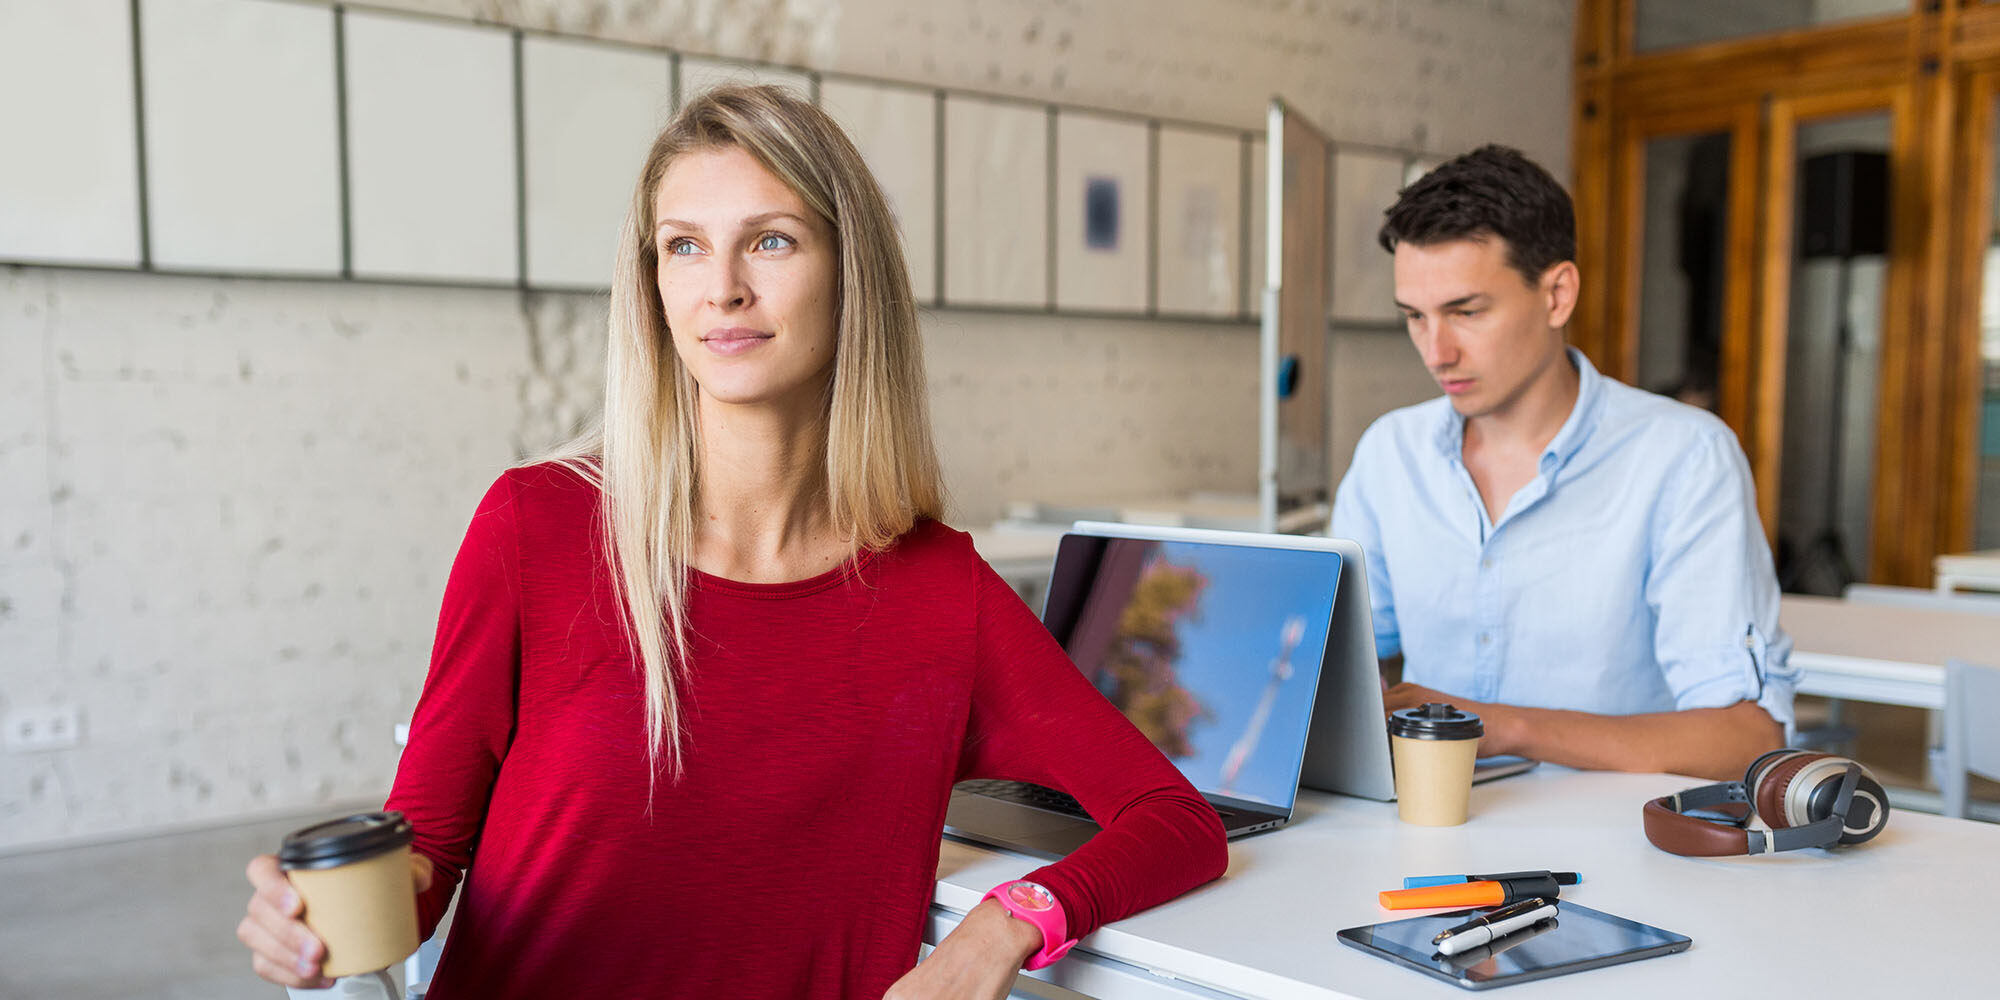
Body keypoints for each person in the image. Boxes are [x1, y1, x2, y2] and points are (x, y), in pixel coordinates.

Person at [235, 85, 1226, 998]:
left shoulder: (941, 594)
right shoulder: (534, 527)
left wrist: (1002, 928)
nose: (722, 290)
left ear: (850, 273)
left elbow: (1174, 822)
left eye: (772, 241)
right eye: (684, 246)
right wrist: (313, 922)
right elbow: (427, 857)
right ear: (653, 282)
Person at [1332, 145, 1797, 782]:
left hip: (1613, 858)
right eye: (1416, 317)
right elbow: (1346, 673)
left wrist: (1504, 727)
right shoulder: (1390, 454)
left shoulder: (1684, 459)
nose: (1436, 351)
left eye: (1466, 312)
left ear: (1557, 295)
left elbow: (1746, 738)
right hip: (1423, 833)